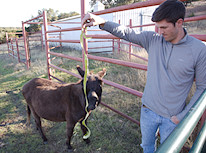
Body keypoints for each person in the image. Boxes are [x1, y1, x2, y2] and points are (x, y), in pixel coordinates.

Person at [81, 0, 206, 152]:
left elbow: (202, 88)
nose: (160, 32)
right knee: (146, 147)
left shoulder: (199, 50)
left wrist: (181, 117)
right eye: (158, 27)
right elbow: (127, 32)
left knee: (169, 150)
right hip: (148, 110)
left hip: (173, 118)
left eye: (164, 27)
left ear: (179, 23)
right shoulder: (153, 39)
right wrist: (102, 22)